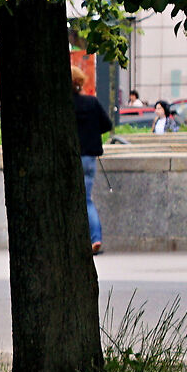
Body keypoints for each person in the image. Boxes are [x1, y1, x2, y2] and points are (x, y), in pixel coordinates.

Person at [74, 74, 114, 255]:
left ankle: (86, 237)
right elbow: (106, 125)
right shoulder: (91, 102)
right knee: (86, 199)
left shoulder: (66, 106)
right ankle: (95, 238)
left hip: (73, 158)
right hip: (90, 158)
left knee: (76, 200)